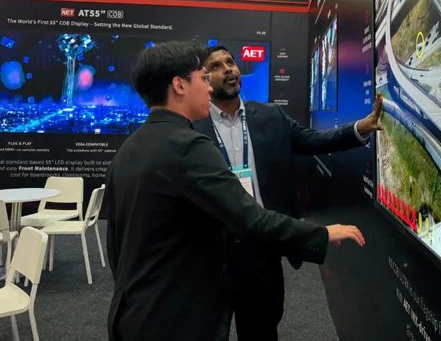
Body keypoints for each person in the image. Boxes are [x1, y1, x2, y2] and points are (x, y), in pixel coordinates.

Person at [105, 40, 365, 341]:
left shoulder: (129, 148)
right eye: (204, 76)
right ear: (179, 85)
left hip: (135, 309)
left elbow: (116, 242)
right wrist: (321, 234)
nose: (208, 86)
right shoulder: (188, 145)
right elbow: (248, 216)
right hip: (175, 311)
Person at [193, 45, 382, 341]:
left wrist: (359, 128)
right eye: (216, 66)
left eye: (230, 62)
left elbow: (315, 140)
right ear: (204, 79)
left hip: (262, 246)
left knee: (261, 330)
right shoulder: (193, 128)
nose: (228, 69)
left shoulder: (270, 116)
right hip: (212, 252)